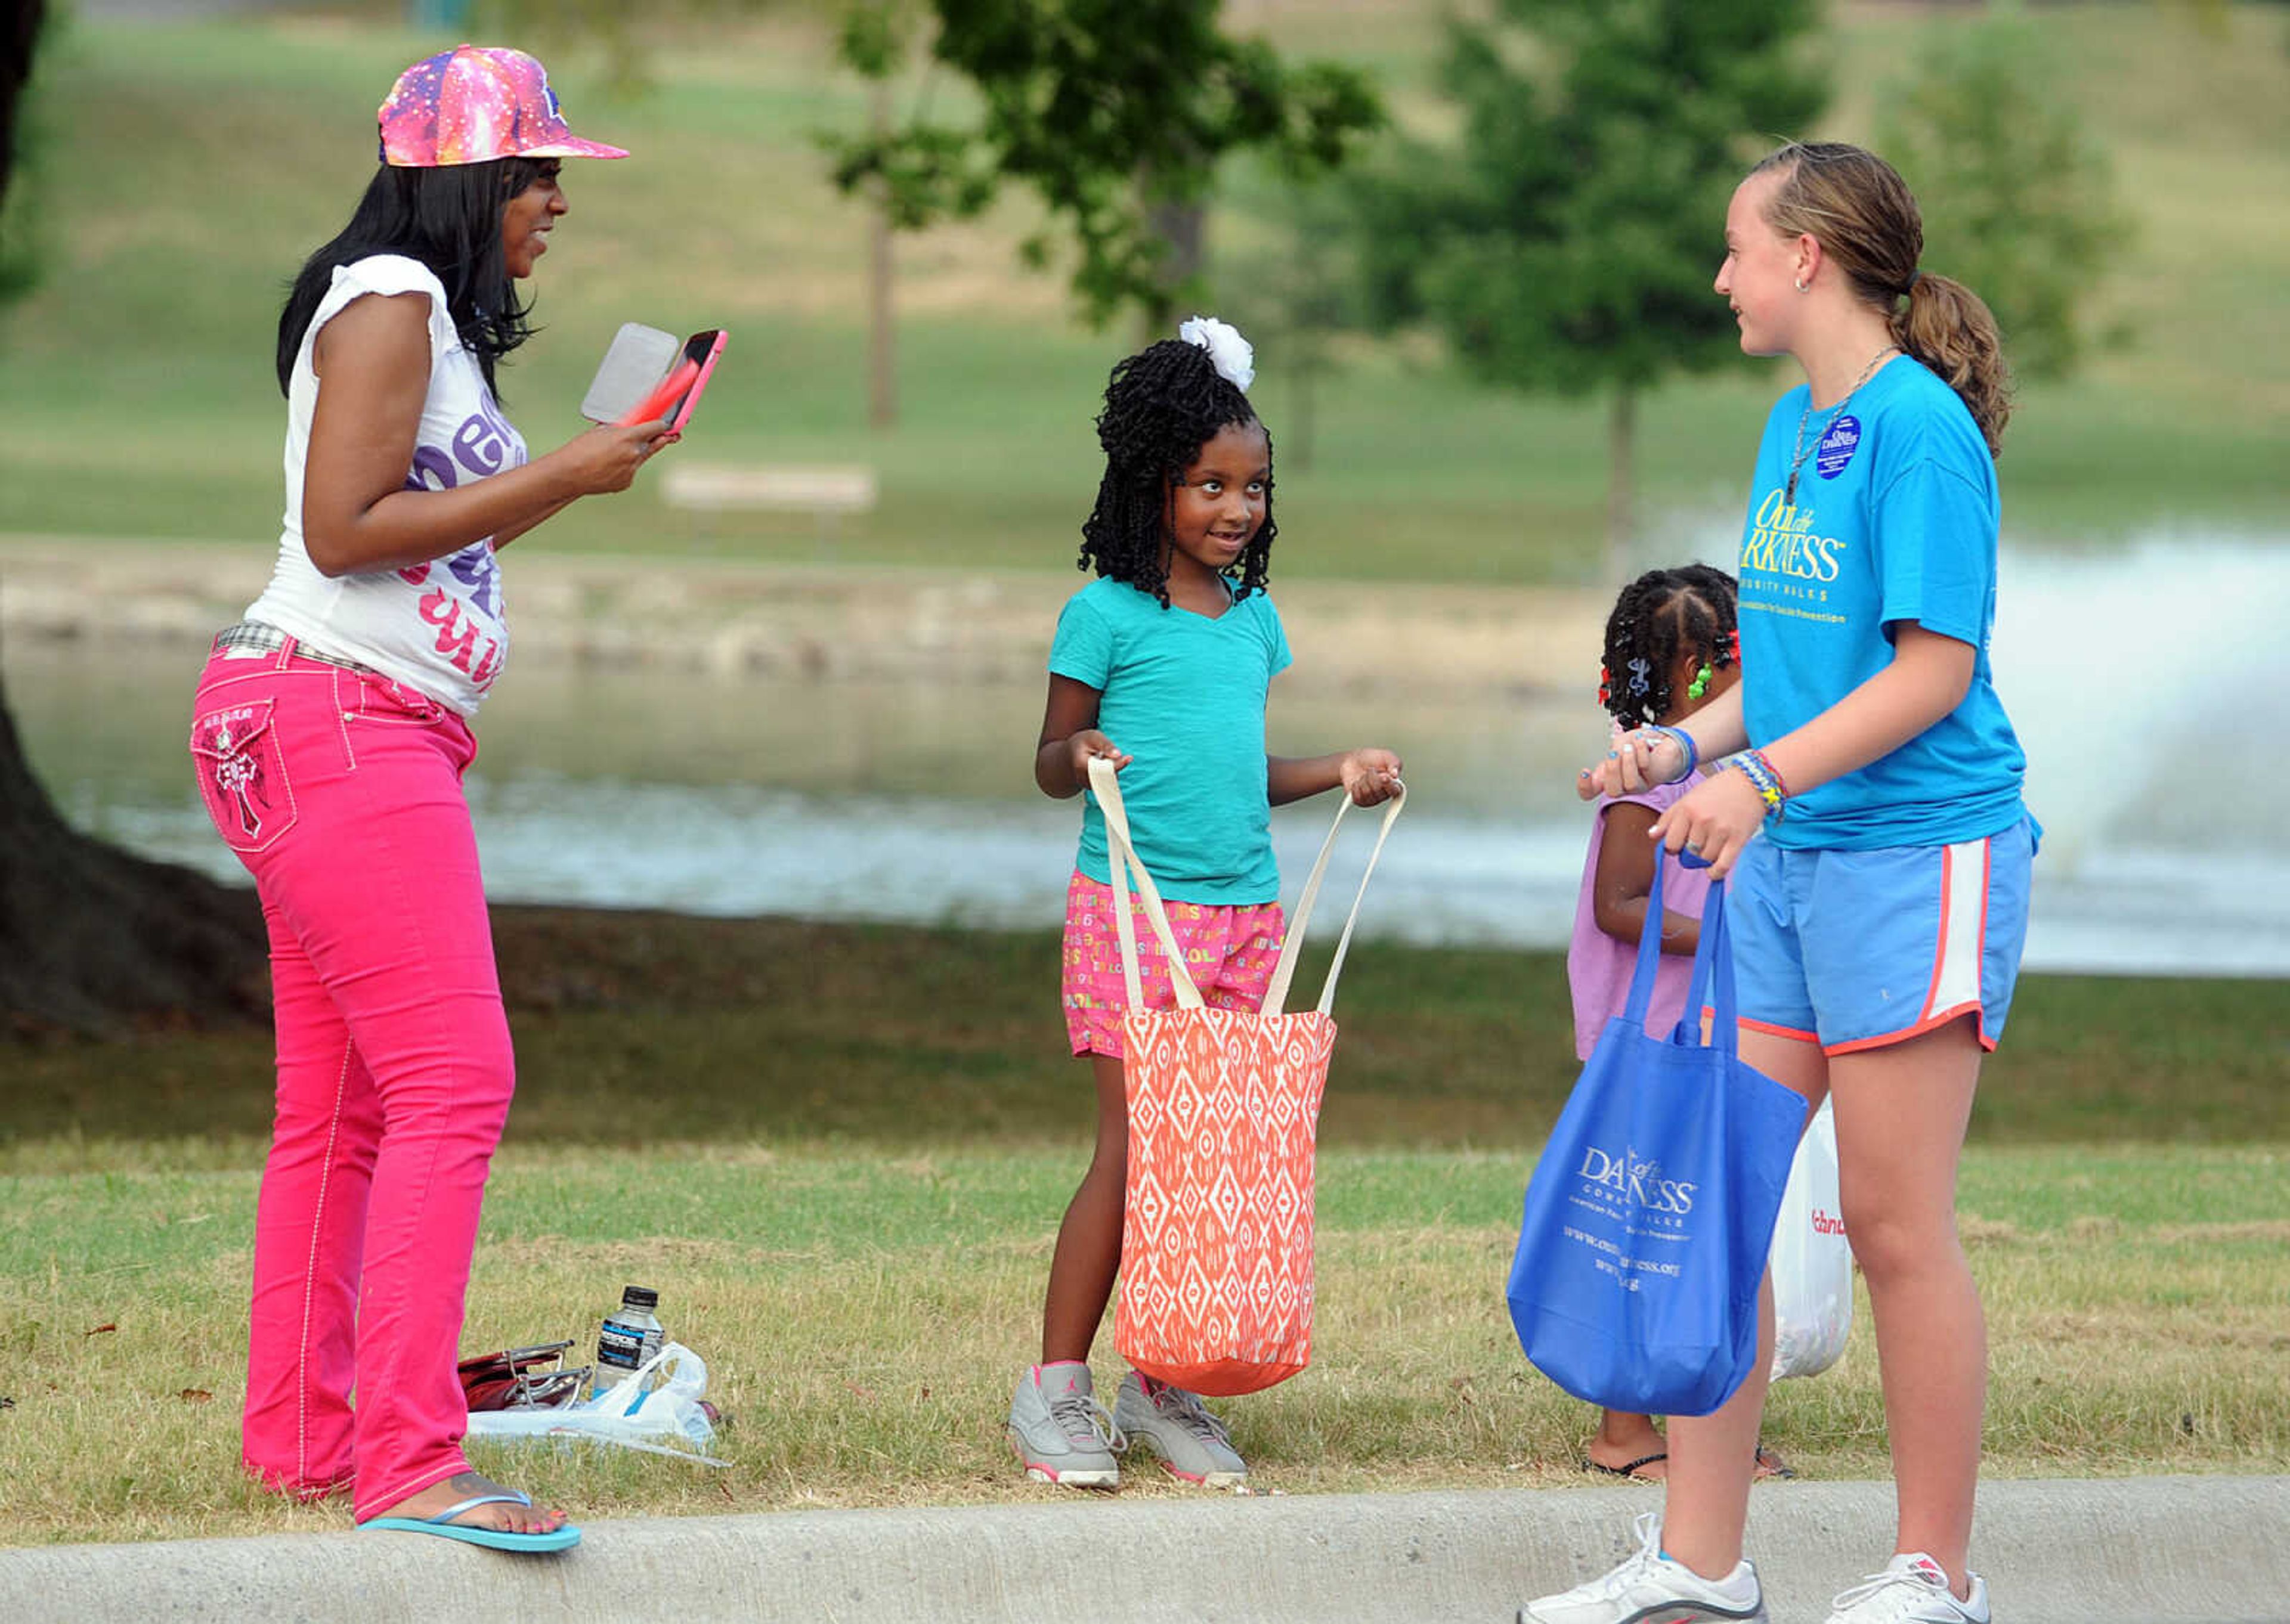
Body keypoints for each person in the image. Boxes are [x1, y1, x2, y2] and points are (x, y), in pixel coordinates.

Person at [1522, 141, 2032, 1624]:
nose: (1722, 276)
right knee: (1719, 1203)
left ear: (1808, 255)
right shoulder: (1790, 424)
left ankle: (1936, 1571)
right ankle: (1699, 1559)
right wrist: (1679, 746)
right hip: (1795, 866)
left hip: (1915, 861)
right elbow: (1796, 668)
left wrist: (1760, 782)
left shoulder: (1921, 433)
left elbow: (1935, 672)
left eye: (1737, 248)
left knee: (1890, 1225)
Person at [187, 45, 672, 1552]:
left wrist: (577, 464)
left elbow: (405, 527)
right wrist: (571, 476)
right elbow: (345, 533)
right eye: (535, 175)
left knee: (335, 1113)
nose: (553, 204)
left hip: (327, 720)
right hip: (337, 718)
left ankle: (309, 1439)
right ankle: (409, 1459)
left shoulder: (420, 311)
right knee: (456, 1082)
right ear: (468, 177)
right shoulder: (392, 295)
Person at [1009, 318, 1403, 1490]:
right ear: (1154, 485)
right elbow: (1044, 757)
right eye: (1211, 485)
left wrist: (1338, 772)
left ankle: (1166, 1383)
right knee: (1135, 1155)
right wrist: (1083, 750)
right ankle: (1056, 1393)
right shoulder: (1107, 614)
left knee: (1215, 1164)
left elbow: (1242, 778)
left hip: (1247, 920)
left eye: (1255, 488)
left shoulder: (1255, 617)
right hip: (1134, 910)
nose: (1237, 507)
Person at [1567, 565, 1787, 1490]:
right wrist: (1736, 939)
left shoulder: (1739, 770)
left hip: (1703, 1031)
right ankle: (1623, 1429)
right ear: (1686, 679)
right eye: (1726, 666)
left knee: (1698, 1222)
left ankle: (1705, 1422)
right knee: (1633, 1227)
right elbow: (1623, 904)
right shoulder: (1646, 781)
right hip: (1645, 1034)